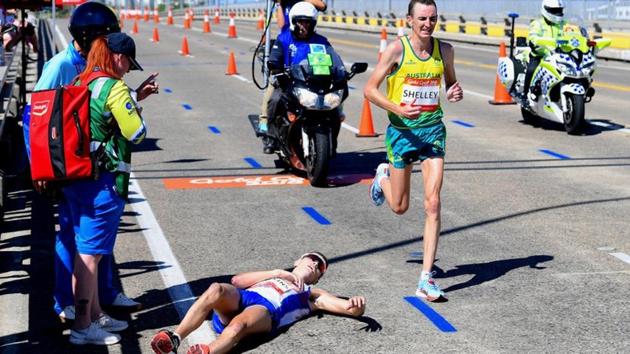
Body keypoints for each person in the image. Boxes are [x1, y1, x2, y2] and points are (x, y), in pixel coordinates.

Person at [30, 1, 157, 323]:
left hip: (84, 163)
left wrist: (134, 97)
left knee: (94, 237)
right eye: (106, 37)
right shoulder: (61, 66)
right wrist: (41, 168)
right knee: (72, 235)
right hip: (68, 164)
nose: (109, 44)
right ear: (90, 37)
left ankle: (105, 294)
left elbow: (100, 109)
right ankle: (67, 303)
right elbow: (37, 117)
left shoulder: (88, 65)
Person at [364, 0, 463, 302]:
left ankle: (425, 279)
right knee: (399, 206)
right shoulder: (396, 50)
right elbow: (369, 90)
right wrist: (398, 108)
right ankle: (383, 176)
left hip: (432, 131)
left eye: (432, 18)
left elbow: (451, 83)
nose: (428, 24)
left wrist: (454, 91)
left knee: (433, 203)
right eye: (422, 19)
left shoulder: (444, 50)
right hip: (402, 133)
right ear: (409, 20)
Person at [66, 31, 155, 345]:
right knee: (90, 255)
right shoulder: (114, 87)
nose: (129, 69)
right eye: (129, 62)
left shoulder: (81, 81)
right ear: (117, 57)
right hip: (103, 182)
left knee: (88, 250)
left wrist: (133, 99)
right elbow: (137, 133)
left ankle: (95, 313)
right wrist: (135, 106)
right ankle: (81, 326)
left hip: (76, 178)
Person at [150, 251, 366, 354]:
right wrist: (278, 273)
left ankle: (207, 352)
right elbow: (237, 281)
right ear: (298, 261)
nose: (316, 264)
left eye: (320, 267)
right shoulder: (275, 275)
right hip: (245, 297)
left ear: (318, 277)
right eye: (312, 258)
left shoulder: (311, 292)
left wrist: (356, 306)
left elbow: (345, 307)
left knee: (238, 325)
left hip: (267, 311)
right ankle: (175, 337)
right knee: (216, 289)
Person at [261, 1, 344, 154]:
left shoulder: (321, 41)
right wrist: (276, 67)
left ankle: (332, 141)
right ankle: (271, 137)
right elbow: (275, 58)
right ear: (294, 22)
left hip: (315, 83)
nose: (304, 26)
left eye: (308, 23)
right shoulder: (284, 38)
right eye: (301, 22)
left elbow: (333, 58)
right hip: (288, 81)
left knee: (336, 105)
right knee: (274, 100)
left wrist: (341, 72)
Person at [524, 0, 568, 101]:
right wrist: (539, 41)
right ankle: (525, 95)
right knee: (531, 69)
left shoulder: (564, 24)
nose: (557, 13)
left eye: (559, 10)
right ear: (546, 10)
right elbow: (532, 38)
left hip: (559, 56)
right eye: (554, 10)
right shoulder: (537, 23)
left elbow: (573, 34)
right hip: (540, 56)